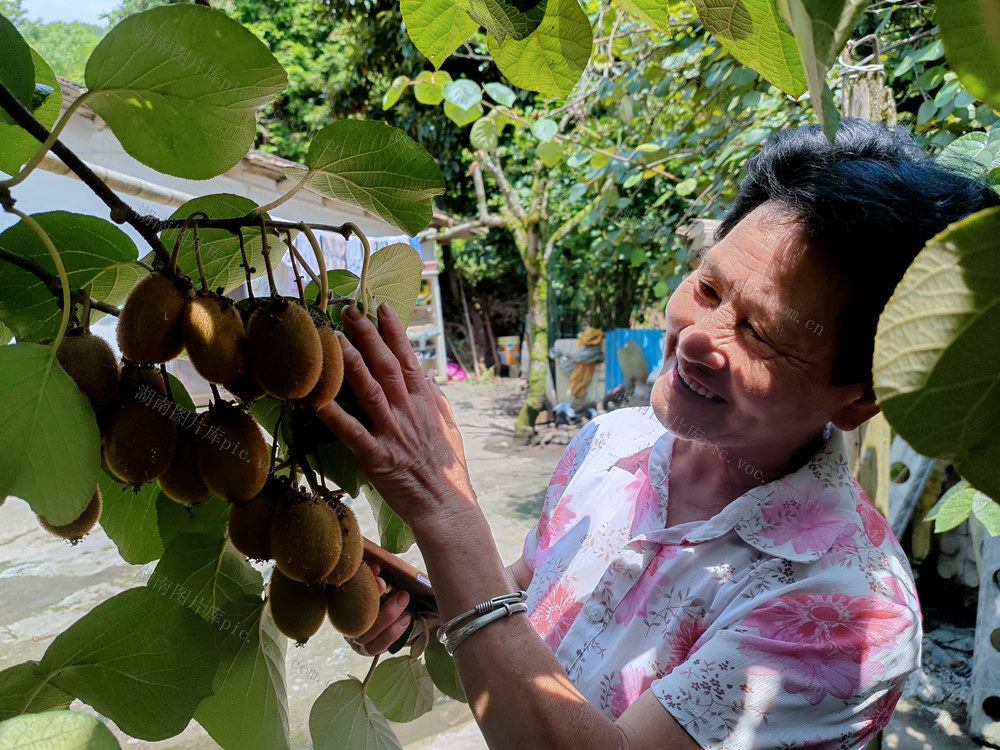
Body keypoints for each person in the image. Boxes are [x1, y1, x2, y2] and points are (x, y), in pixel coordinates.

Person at [317, 119, 1000, 749]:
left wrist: (447, 517)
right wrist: (431, 604)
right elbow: (525, 597)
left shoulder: (851, 612)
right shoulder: (610, 443)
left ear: (860, 398)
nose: (697, 338)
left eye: (761, 333)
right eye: (707, 288)